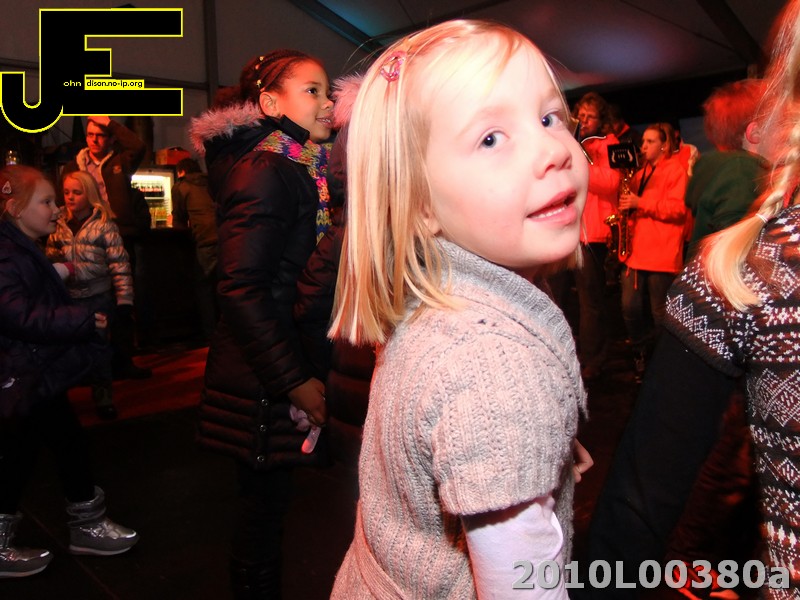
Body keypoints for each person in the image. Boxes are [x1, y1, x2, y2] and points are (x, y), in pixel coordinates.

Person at [329, 20, 593, 598]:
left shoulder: (440, 300)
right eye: (491, 139)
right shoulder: (493, 370)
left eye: (550, 118)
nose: (553, 150)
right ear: (421, 204)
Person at [584, 0, 800, 595]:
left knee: (718, 447)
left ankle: (696, 558)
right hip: (681, 275)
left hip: (686, 270)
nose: (649, 144)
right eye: (648, 138)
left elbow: (681, 211)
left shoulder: (692, 171)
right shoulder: (752, 251)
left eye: (655, 137)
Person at [189, 49, 333, 599]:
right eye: (312, 91)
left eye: (327, 90)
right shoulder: (267, 169)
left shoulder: (300, 165)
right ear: (271, 104)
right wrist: (293, 380)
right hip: (265, 375)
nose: (328, 103)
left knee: (269, 511)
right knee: (261, 518)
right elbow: (242, 288)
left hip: (277, 361)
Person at [0, 165, 138, 579]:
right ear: (15, 208)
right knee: (32, 451)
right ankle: (85, 527)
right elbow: (18, 315)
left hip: (33, 371)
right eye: (46, 201)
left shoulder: (20, 248)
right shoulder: (8, 254)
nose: (56, 208)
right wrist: (79, 319)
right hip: (24, 372)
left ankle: (85, 526)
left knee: (50, 446)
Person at [63, 115, 152, 380]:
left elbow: (138, 146)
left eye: (100, 135)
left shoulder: (119, 161)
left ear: (110, 138)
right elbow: (63, 199)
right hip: (85, 238)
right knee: (86, 302)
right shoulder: (74, 165)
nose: (94, 140)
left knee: (123, 300)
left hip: (119, 237)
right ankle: (88, 366)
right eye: (90, 135)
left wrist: (109, 122)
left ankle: (123, 361)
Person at [45, 171, 133, 420]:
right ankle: (64, 400)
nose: (70, 197)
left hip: (97, 296)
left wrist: (124, 298)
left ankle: (103, 397)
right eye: (66, 192)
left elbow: (119, 264)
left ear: (89, 194)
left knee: (99, 348)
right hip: (69, 296)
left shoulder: (104, 224)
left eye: (77, 192)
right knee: (66, 349)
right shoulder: (57, 223)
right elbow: (50, 259)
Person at [618, 123, 689, 379]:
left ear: (664, 145)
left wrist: (640, 202)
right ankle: (640, 351)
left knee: (660, 313)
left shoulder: (676, 170)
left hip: (662, 252)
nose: (643, 146)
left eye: (650, 142)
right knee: (629, 308)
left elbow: (678, 210)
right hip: (637, 252)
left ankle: (664, 361)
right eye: (643, 142)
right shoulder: (640, 173)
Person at [686, 79, 769, 259]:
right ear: (755, 133)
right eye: (781, 122)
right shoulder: (741, 171)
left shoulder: (728, 171)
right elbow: (741, 255)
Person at [572, 91, 620, 381]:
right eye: (582, 115)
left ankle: (594, 359)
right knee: (565, 295)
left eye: (591, 116)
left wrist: (583, 164)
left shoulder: (609, 143)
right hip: (569, 232)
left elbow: (612, 183)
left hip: (595, 233)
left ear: (601, 120)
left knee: (591, 300)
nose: (585, 120)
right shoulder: (573, 143)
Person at [170, 157, 219, 340]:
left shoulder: (182, 186)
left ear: (181, 172)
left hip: (204, 240)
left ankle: (209, 334)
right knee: (222, 287)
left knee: (203, 288)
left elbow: (179, 220)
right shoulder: (211, 182)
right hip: (225, 238)